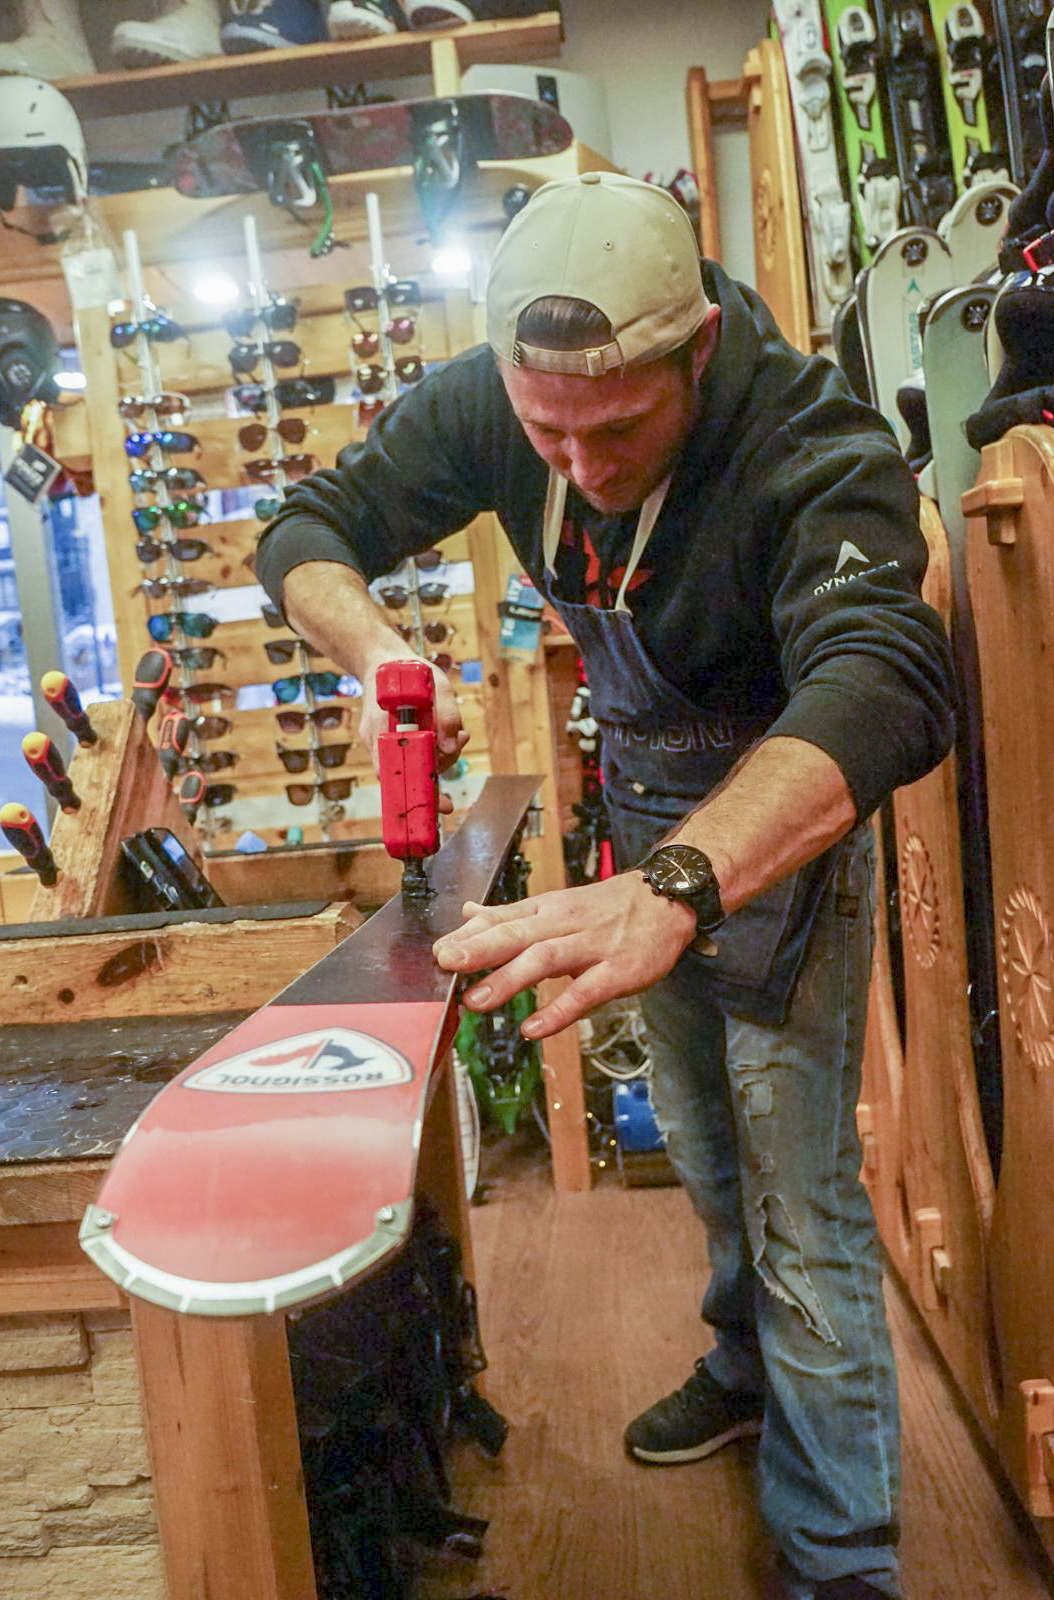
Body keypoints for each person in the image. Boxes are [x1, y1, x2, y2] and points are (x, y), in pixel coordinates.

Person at [256, 172, 956, 1600]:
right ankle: (744, 1370)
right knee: (701, 1144)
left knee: (799, 1195)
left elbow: (884, 680)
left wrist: (681, 881)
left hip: (772, 830)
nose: (576, 466)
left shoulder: (809, 441)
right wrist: (378, 654)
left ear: (699, 350)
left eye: (618, 429)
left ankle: (842, 1553)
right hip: (641, 811)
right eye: (544, 433)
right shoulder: (497, 399)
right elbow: (308, 528)